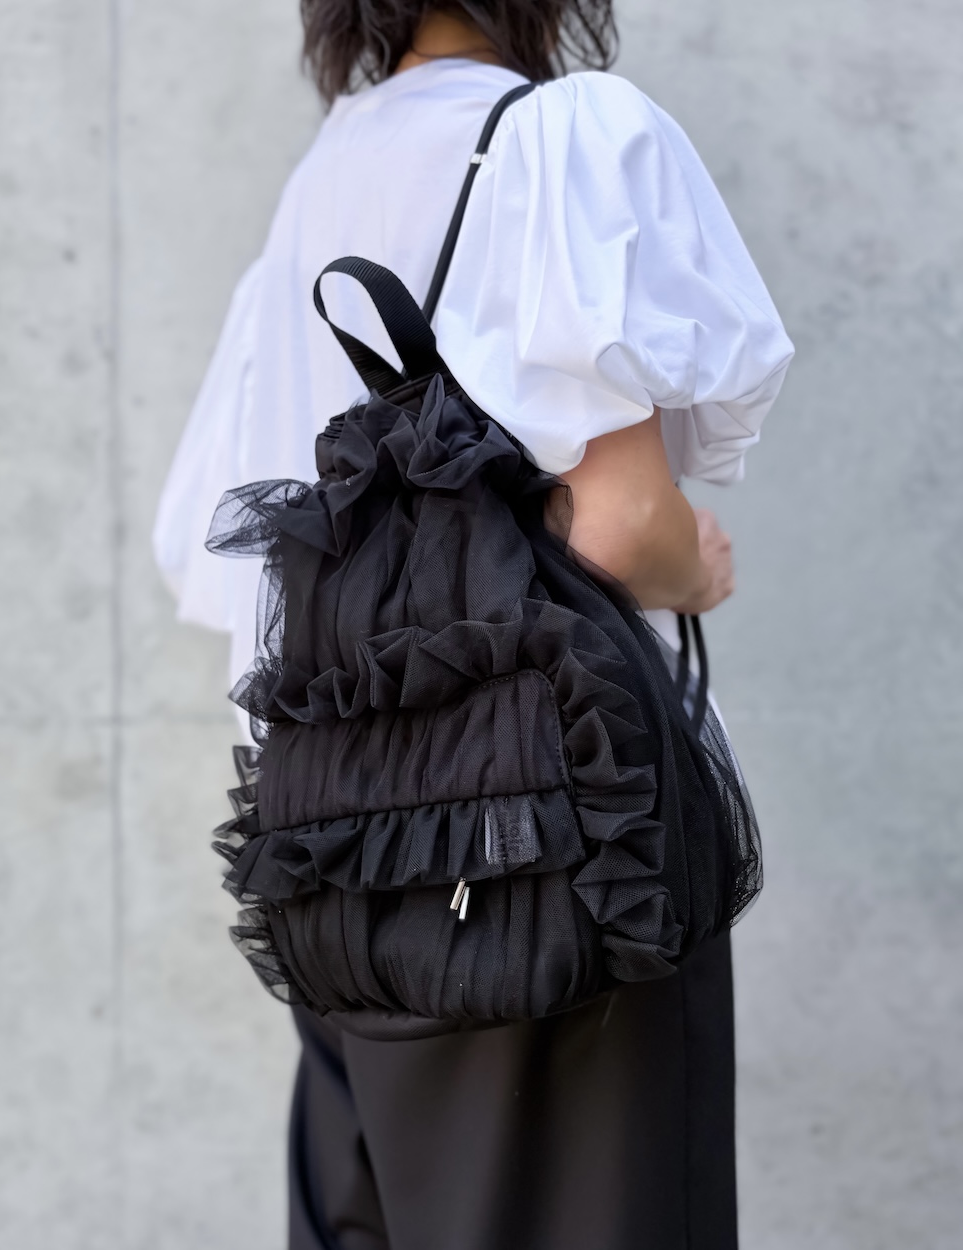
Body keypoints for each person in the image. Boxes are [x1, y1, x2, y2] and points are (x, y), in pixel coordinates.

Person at [154, 3, 794, 1247]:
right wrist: (694, 568)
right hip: (543, 852)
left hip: (330, 851)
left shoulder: (322, 178)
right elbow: (619, 524)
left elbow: (212, 550)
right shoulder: (554, 135)